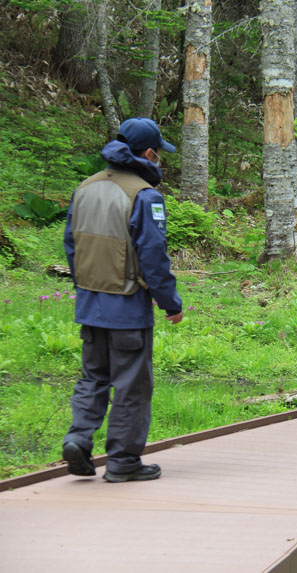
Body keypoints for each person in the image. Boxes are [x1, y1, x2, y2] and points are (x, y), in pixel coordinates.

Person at [61, 117, 184, 482]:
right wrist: (171, 303)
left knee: (92, 378)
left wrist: (86, 286)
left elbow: (71, 244)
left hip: (89, 304)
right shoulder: (144, 196)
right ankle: (124, 462)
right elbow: (153, 255)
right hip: (128, 308)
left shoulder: (85, 188)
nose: (160, 158)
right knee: (132, 384)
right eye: (159, 152)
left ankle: (79, 438)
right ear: (148, 153)